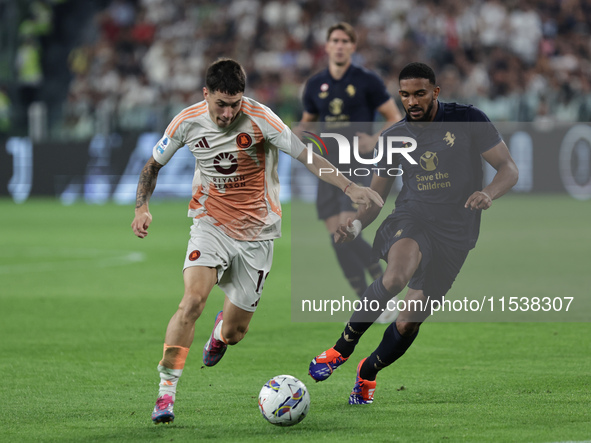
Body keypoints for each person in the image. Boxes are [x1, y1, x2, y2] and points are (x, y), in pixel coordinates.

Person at [131, 58, 384, 424]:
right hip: (210, 223)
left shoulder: (262, 118)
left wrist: (349, 186)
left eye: (235, 104)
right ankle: (165, 393)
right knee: (192, 301)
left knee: (236, 332)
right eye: (221, 104)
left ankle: (220, 333)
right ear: (206, 95)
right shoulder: (186, 122)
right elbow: (152, 166)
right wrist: (142, 207)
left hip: (257, 235)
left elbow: (307, 156)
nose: (228, 113)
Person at [308, 62, 519, 405]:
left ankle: (368, 372)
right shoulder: (394, 137)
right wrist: (357, 224)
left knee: (408, 323)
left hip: (456, 232)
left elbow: (508, 168)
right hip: (412, 217)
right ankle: (341, 348)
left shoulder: (468, 119)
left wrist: (488, 193)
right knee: (395, 277)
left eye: (419, 93)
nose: (412, 101)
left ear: (435, 92)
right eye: (405, 95)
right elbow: (377, 199)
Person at [300, 22, 402, 309]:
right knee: (338, 239)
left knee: (347, 230)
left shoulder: (367, 81)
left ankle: (378, 292)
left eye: (346, 40)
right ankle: (369, 297)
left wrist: (374, 138)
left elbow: (394, 116)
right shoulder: (314, 84)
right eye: (335, 40)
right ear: (328, 45)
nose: (340, 44)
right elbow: (305, 125)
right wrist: (292, 141)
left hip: (355, 164)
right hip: (325, 167)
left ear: (353, 47)